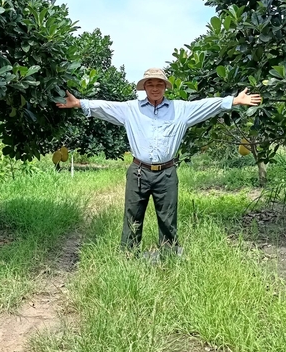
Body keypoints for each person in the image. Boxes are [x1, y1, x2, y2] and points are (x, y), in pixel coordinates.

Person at [57, 67, 262, 257]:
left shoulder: (181, 109)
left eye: (159, 84)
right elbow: (104, 106)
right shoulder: (131, 109)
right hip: (139, 171)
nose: (155, 88)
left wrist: (233, 101)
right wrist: (79, 103)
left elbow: (206, 105)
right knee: (132, 216)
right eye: (150, 84)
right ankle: (129, 257)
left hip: (167, 172)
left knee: (168, 217)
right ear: (144, 88)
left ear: (165, 87)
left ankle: (169, 256)